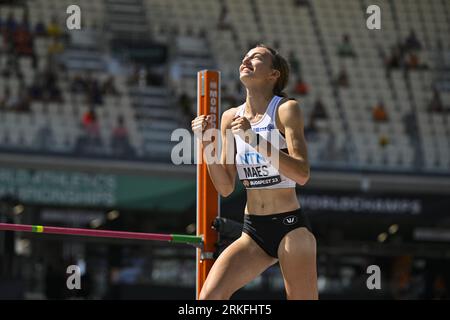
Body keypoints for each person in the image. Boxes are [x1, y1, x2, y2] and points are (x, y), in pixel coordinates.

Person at [191, 44, 317, 300]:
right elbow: (225, 187)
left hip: (290, 228)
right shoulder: (230, 117)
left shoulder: (286, 109)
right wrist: (205, 142)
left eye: (256, 58)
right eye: (245, 56)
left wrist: (254, 139)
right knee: (207, 300)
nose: (246, 60)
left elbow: (302, 173)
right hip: (253, 232)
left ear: (273, 75)